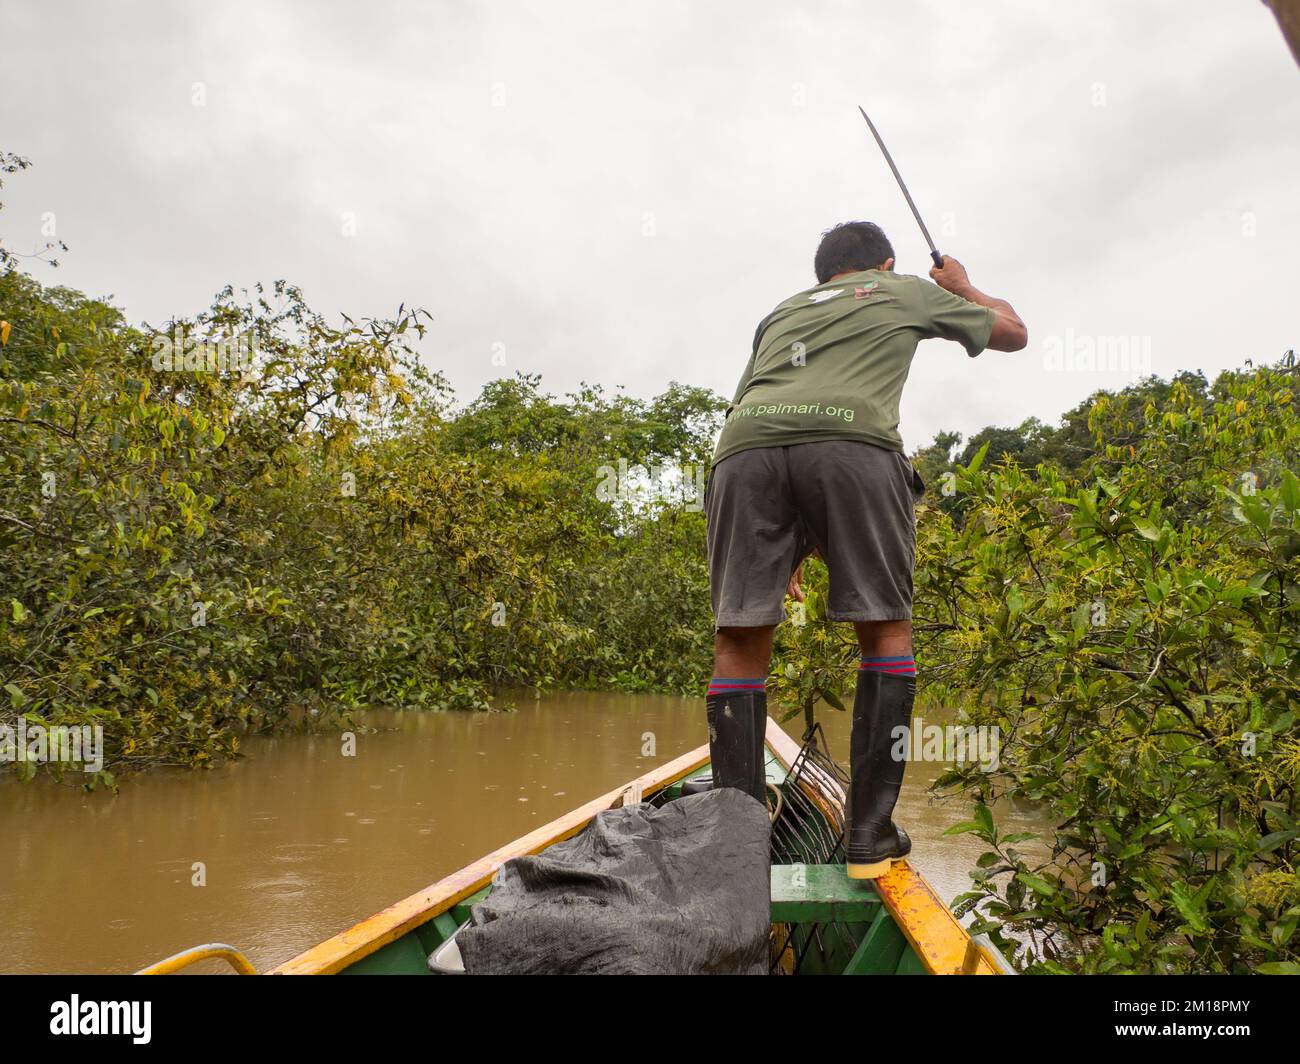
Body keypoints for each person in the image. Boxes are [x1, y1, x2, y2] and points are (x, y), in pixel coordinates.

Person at [703, 221, 1027, 879]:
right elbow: (1013, 333)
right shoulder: (900, 288)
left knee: (739, 643)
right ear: (882, 263)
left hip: (743, 450)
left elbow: (768, 419)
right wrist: (964, 287)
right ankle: (868, 838)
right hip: (852, 447)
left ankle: (736, 851)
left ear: (822, 274)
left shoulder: (780, 313)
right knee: (884, 633)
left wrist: (790, 539)